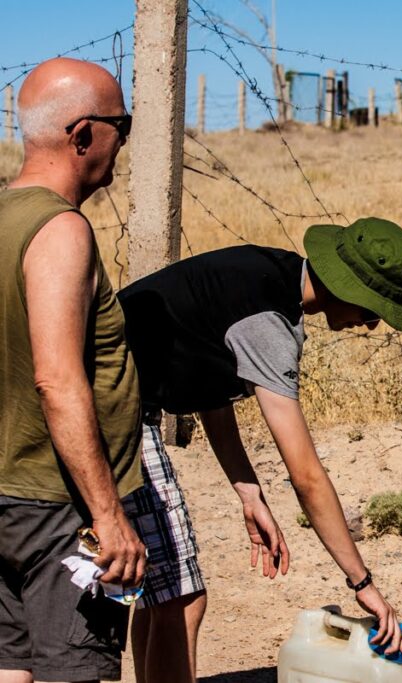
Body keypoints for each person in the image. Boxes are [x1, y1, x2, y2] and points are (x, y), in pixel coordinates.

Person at [118, 219, 402, 674]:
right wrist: (362, 583)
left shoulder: (270, 275)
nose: (371, 323)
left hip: (107, 402)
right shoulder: (269, 323)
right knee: (181, 597)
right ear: (345, 286)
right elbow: (306, 475)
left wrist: (249, 492)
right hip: (111, 412)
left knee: (161, 591)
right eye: (372, 307)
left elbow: (210, 389)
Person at [0, 58, 147, 682]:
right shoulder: (61, 230)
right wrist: (107, 515)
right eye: (123, 126)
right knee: (74, 670)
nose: (124, 142)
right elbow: (57, 380)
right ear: (84, 134)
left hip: (7, 496)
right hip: (57, 508)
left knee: (9, 664)